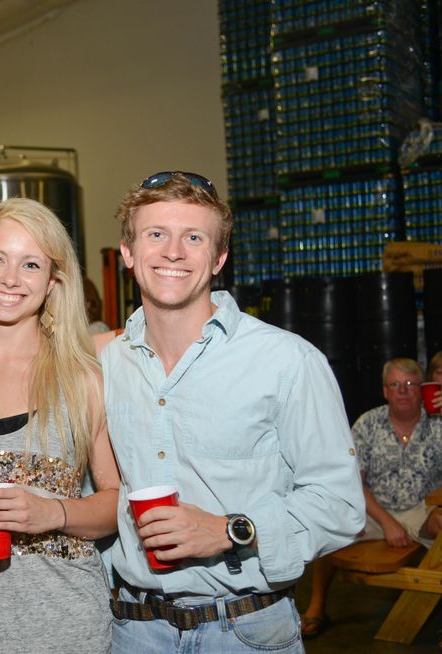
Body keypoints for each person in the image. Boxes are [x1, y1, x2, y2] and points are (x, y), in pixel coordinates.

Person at [99, 171, 365, 653]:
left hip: (246, 632)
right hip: (132, 631)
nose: (173, 251)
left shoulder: (287, 361)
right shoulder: (103, 365)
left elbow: (342, 507)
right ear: (129, 253)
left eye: (193, 237)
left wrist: (230, 530)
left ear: (218, 258)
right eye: (156, 234)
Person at [0, 198, 120, 653]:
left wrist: (53, 513)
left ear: (53, 281)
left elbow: (116, 503)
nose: (10, 279)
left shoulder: (82, 376)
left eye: (30, 264)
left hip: (64, 626)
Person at [301, 358, 442, 649]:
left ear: (422, 390)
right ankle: (317, 606)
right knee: (327, 521)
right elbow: (353, 481)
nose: (403, 391)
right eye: (395, 385)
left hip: (424, 509)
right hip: (375, 509)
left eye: (410, 385)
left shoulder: (438, 422)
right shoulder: (368, 423)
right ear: (385, 391)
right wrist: (386, 521)